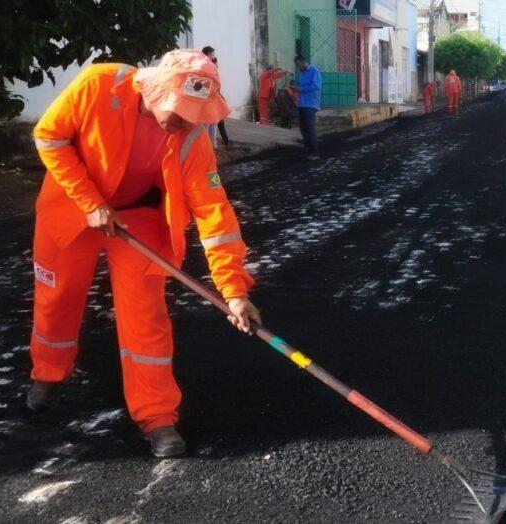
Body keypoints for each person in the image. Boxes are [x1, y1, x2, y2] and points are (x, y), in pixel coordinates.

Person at [26, 49, 262, 458]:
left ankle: (157, 415)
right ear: (155, 89)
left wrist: (234, 289)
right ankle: (48, 373)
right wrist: (90, 201)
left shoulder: (191, 137)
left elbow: (213, 212)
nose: (184, 123)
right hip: (70, 206)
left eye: (194, 115)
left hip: (138, 216)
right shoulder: (98, 85)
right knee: (58, 298)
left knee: (146, 314)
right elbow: (49, 136)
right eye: (180, 111)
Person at [201, 46, 230, 146]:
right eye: (212, 54)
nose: (214, 56)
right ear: (208, 55)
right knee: (208, 122)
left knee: (214, 122)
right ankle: (209, 145)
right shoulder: (204, 65)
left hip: (214, 95)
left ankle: (213, 145)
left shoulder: (212, 64)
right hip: (208, 97)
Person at [295, 55, 321, 161]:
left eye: (298, 65)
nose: (298, 67)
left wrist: (300, 89)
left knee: (309, 129)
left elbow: (316, 86)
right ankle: (307, 151)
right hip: (302, 104)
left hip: (310, 104)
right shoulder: (303, 74)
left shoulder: (315, 71)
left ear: (302, 62)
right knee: (303, 129)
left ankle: (314, 152)